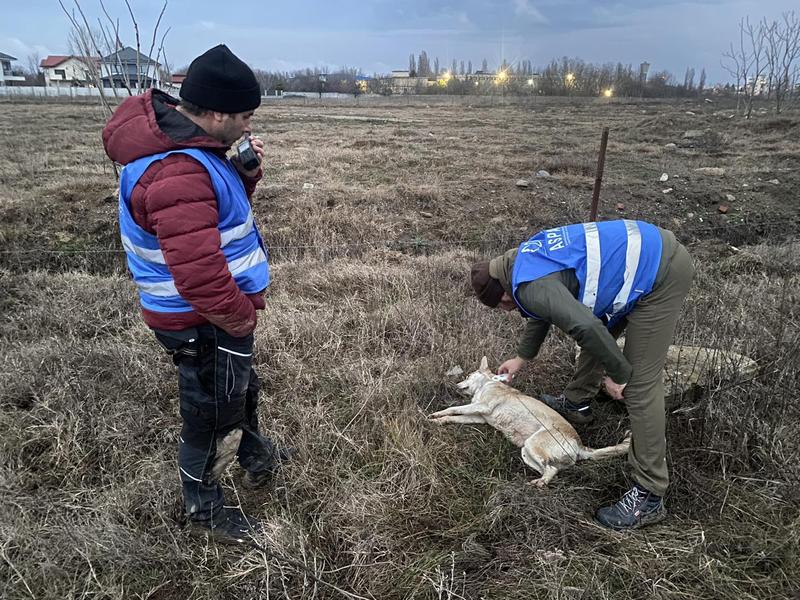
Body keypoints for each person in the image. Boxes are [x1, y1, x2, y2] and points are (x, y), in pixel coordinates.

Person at [103, 44, 291, 544]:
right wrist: (239, 317)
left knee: (238, 387)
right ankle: (203, 507)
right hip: (200, 316)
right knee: (208, 410)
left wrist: (244, 176)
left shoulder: (194, 153)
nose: (248, 126)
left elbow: (211, 219)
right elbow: (198, 273)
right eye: (245, 116)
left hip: (212, 312)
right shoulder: (177, 170)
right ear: (213, 112)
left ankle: (254, 455)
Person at [470, 219, 694, 530]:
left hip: (660, 271)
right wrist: (523, 356)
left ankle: (650, 494)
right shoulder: (519, 261)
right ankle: (576, 404)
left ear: (504, 295)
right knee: (597, 331)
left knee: (641, 386)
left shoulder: (529, 285)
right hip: (642, 253)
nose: (508, 311)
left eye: (503, 307)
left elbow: (584, 326)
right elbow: (542, 307)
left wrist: (621, 374)